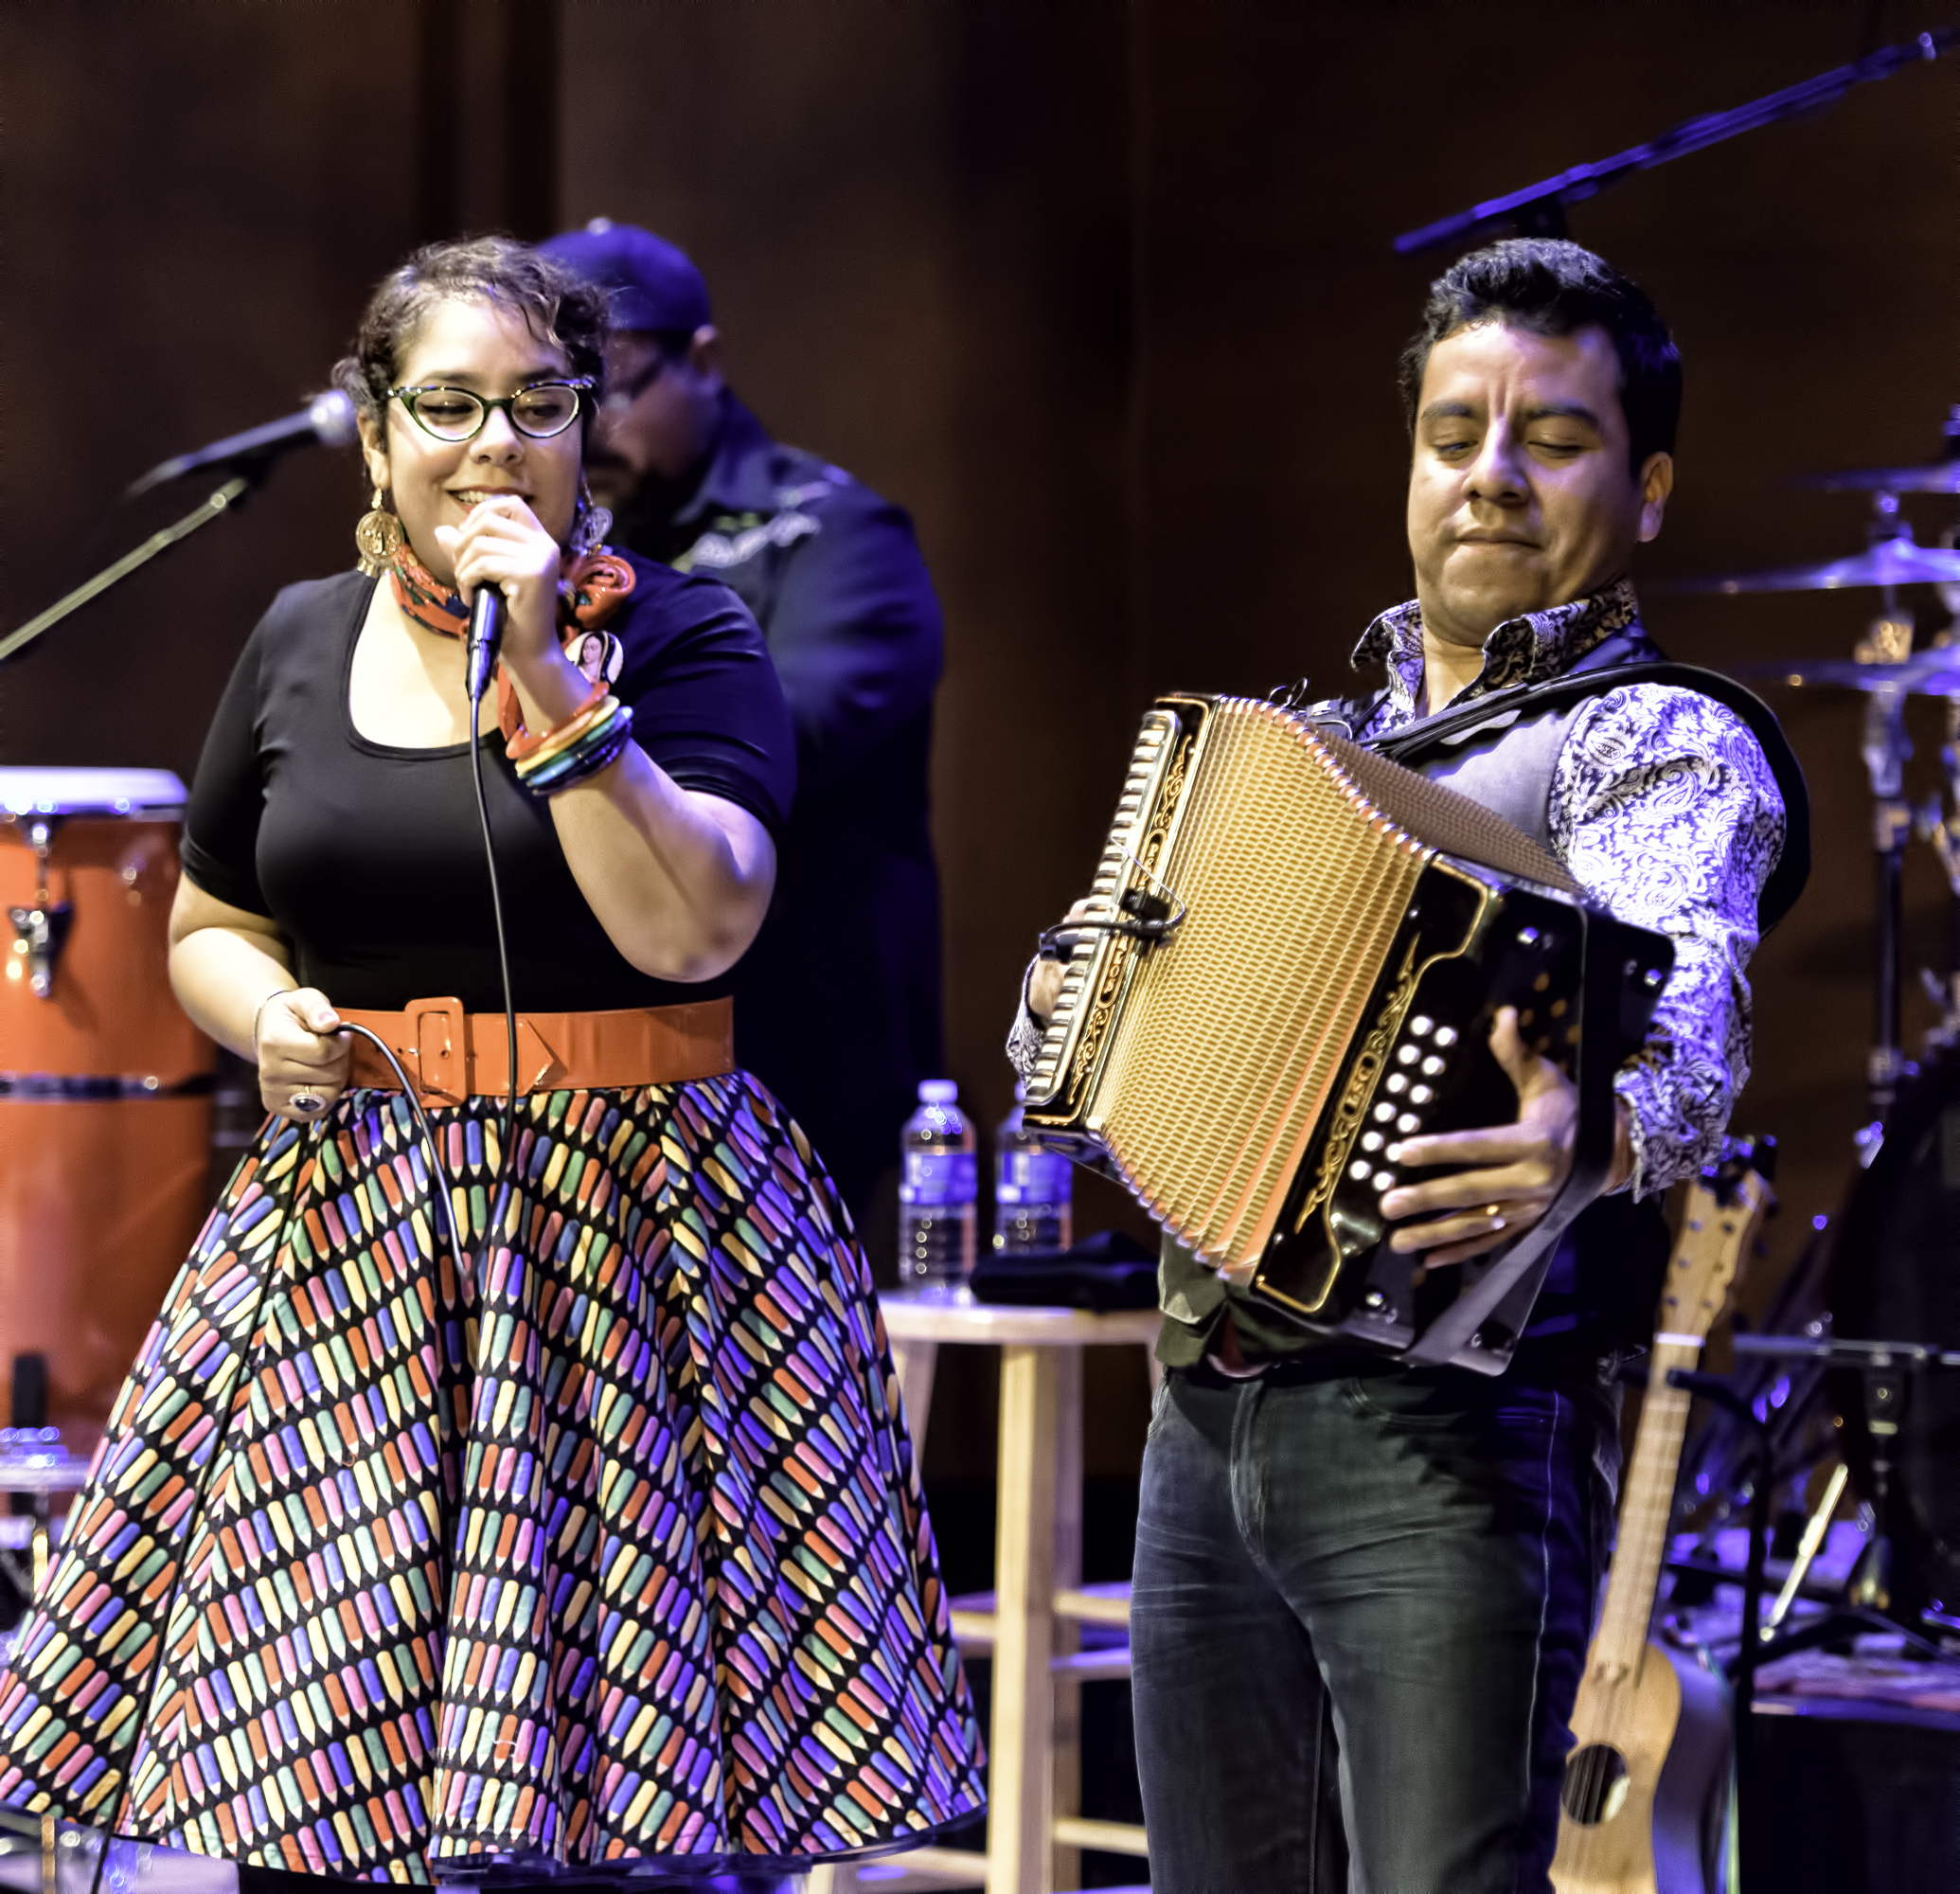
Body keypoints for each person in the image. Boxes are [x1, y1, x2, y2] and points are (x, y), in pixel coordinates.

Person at [0, 238, 983, 1884]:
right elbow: (209, 923)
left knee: (622, 1809)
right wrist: (269, 1020)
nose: (492, 440)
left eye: (538, 401)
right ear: (376, 434)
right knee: (307, 1773)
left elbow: (696, 928)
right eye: (447, 402)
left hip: (630, 1243)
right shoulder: (299, 639)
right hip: (356, 1241)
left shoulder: (685, 635)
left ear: (589, 428)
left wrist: (542, 672)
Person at [1011, 240, 1797, 1891]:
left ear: (1647, 487)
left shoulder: (1655, 737)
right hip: (1200, 1425)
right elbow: (1100, 1041)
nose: (1491, 478)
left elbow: (1689, 1015)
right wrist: (1076, 1004)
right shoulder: (1318, 758)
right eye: (1455, 436)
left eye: (1553, 440)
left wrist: (1594, 1133)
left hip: (1445, 1439)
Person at [539, 221, 945, 1253]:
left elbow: (789, 736)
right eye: (560, 401)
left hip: (798, 1057)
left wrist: (556, 715)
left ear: (704, 361)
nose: (591, 427)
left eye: (616, 388)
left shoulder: (833, 532)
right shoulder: (550, 548)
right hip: (588, 1065)